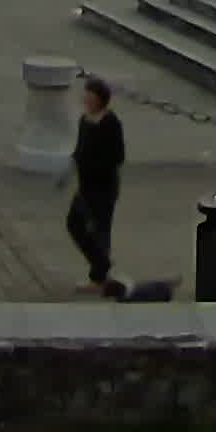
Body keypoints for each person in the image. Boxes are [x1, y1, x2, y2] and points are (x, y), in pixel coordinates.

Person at [66, 75, 127, 298]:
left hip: (103, 188)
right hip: (85, 187)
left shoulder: (111, 123)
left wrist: (95, 164)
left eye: (91, 97)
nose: (86, 100)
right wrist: (70, 165)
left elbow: (118, 156)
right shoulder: (85, 120)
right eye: (86, 96)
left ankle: (99, 277)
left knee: (100, 230)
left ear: (101, 100)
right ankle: (102, 267)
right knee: (74, 224)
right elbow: (80, 148)